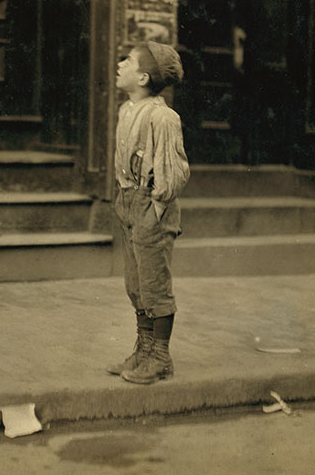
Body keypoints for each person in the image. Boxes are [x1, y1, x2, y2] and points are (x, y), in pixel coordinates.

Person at [107, 41, 190, 385]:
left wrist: (153, 208)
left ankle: (161, 357)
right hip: (128, 201)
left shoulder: (163, 116)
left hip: (152, 206)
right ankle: (143, 349)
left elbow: (174, 173)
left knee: (155, 283)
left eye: (127, 61)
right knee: (135, 283)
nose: (120, 63)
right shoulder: (127, 111)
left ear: (142, 77)